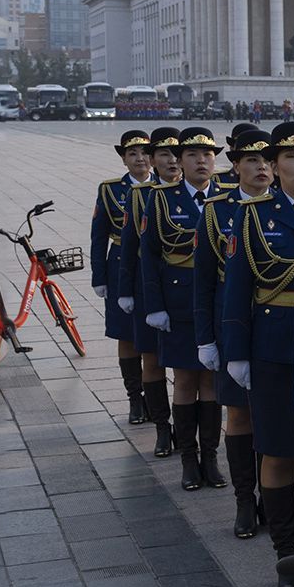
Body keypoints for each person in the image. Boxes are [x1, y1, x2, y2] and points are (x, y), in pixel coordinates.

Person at [222, 122, 294, 587]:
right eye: (292, 157)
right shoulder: (254, 215)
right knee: (281, 454)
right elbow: (238, 290)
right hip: (275, 350)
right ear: (274, 165)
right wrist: (236, 352)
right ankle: (286, 553)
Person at [195, 128, 276, 539]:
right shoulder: (217, 210)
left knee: (274, 420)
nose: (260, 168)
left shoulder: (289, 210)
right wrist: (207, 338)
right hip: (233, 326)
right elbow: (205, 281)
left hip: (276, 331)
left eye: (266, 162)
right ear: (237, 167)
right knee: (240, 414)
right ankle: (245, 499)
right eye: (251, 161)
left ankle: (272, 497)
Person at [139, 127, 226, 493]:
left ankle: (210, 456)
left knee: (212, 382)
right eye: (192, 155)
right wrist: (155, 306)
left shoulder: (228, 197)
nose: (201, 161)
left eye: (207, 155)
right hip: (180, 301)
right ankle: (188, 457)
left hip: (217, 301)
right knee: (186, 380)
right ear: (181, 161)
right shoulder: (161, 199)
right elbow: (149, 254)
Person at [121, 126, 183, 456]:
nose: (172, 160)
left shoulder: (207, 197)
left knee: (189, 371)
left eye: (177, 154)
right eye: (164, 154)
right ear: (153, 159)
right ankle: (162, 426)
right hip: (150, 291)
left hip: (186, 294)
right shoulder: (141, 197)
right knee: (153, 361)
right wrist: (125, 291)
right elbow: (131, 249)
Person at [92, 131, 154, 426]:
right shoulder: (110, 190)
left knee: (154, 336)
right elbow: (99, 235)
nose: (139, 158)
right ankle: (134, 397)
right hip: (120, 266)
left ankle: (155, 398)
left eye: (144, 152)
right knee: (125, 333)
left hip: (155, 267)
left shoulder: (164, 187)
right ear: (124, 158)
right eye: (133, 153)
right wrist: (99, 276)